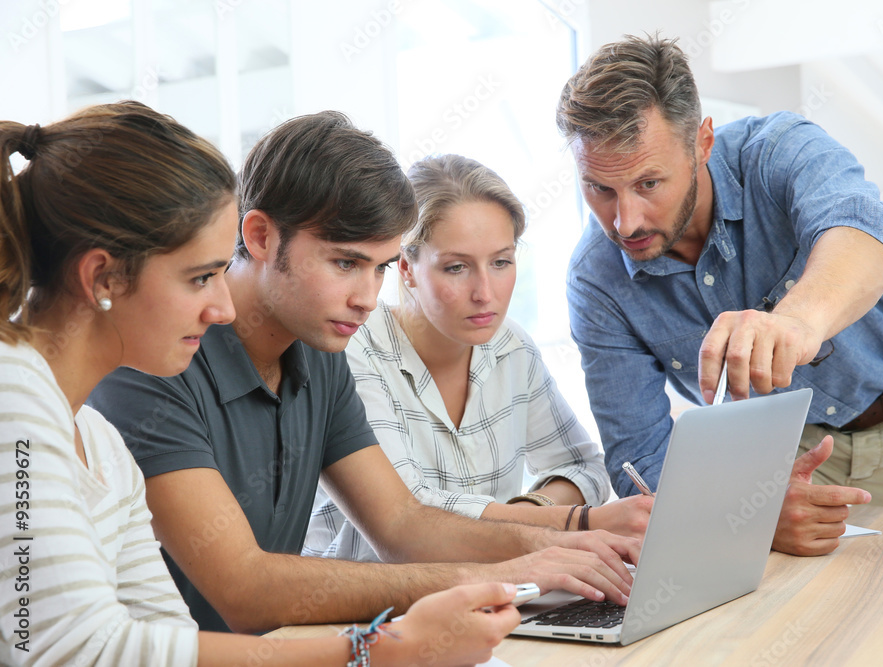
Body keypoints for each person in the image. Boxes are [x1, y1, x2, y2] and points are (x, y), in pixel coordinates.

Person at [0, 102, 519, 667]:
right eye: (201, 277)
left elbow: (164, 637)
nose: (223, 306)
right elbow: (80, 649)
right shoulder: (14, 402)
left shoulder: (98, 441)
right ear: (103, 277)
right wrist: (375, 651)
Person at [88, 111, 640, 636]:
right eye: (345, 263)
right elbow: (244, 587)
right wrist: (496, 576)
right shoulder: (154, 358)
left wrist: (567, 542)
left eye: (379, 269)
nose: (368, 299)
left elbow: (402, 524)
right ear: (259, 236)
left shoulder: (319, 351)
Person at [557, 34, 883, 557]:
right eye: (599, 188)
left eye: (648, 183)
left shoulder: (779, 150)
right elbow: (640, 459)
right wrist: (749, 514)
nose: (625, 221)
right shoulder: (594, 279)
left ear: (702, 143)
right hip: (783, 459)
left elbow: (865, 230)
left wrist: (797, 322)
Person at [305, 155, 653, 563]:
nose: (485, 293)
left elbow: (584, 466)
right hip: (366, 607)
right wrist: (576, 523)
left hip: (496, 588)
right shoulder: (352, 351)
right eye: (457, 268)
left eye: (501, 262)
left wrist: (527, 515)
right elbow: (413, 514)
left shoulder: (510, 348)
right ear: (406, 268)